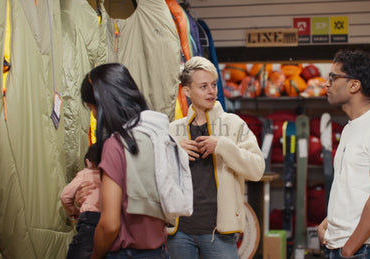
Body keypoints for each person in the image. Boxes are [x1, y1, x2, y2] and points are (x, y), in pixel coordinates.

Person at [167, 56, 265, 259]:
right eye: (203, 86)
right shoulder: (173, 130)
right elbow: (156, 178)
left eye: (213, 85)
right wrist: (173, 152)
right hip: (179, 231)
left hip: (219, 232)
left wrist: (222, 146)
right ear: (186, 91)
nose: (211, 91)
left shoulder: (234, 124)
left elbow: (257, 169)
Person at [318, 49, 370, 258]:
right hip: (340, 243)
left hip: (362, 248)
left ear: (354, 85)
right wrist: (328, 222)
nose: (326, 84)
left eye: (333, 78)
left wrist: (349, 250)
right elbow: (351, 187)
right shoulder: (351, 127)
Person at [80, 63, 169, 259]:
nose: (94, 114)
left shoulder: (116, 144)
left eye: (91, 107)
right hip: (158, 251)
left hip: (127, 253)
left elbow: (110, 225)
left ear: (101, 104)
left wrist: (95, 256)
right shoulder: (156, 136)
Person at [60, 144, 101, 259]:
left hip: (89, 220)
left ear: (87, 162)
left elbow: (65, 196)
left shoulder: (85, 173)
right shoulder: (109, 176)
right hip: (107, 220)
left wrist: (74, 211)